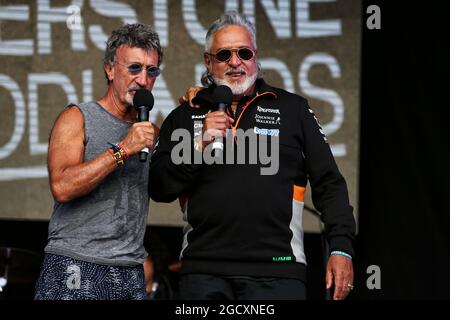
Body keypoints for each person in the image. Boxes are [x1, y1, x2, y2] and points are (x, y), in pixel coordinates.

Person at [149, 12, 356, 300]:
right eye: (224, 55)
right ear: (208, 62)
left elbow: (329, 183)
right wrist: (199, 146)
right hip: (204, 273)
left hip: (279, 271)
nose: (235, 62)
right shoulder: (185, 115)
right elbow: (158, 188)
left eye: (243, 52)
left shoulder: (293, 110)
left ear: (255, 56)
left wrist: (341, 246)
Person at [34, 23, 162, 300]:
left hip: (131, 270)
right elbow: (62, 186)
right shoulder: (77, 117)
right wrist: (123, 149)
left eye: (151, 71)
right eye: (134, 68)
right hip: (76, 263)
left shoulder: (149, 134)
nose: (143, 79)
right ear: (109, 69)